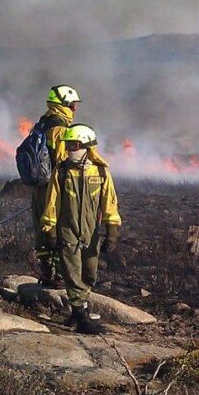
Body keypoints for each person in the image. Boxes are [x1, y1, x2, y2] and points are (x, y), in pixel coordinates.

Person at [40, 124, 121, 334]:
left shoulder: (101, 171)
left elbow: (109, 203)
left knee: (89, 273)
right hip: (67, 230)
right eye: (67, 145)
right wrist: (50, 230)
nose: (69, 149)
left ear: (86, 146)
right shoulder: (62, 171)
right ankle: (82, 315)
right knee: (72, 271)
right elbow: (51, 203)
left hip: (91, 232)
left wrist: (112, 231)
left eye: (73, 145)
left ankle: (76, 313)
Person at [31, 85, 80, 287]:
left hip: (38, 186)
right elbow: (61, 160)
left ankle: (45, 272)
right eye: (73, 105)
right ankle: (59, 277)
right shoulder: (60, 129)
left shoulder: (42, 123)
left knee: (42, 229)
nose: (75, 109)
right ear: (64, 105)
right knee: (60, 229)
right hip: (54, 188)